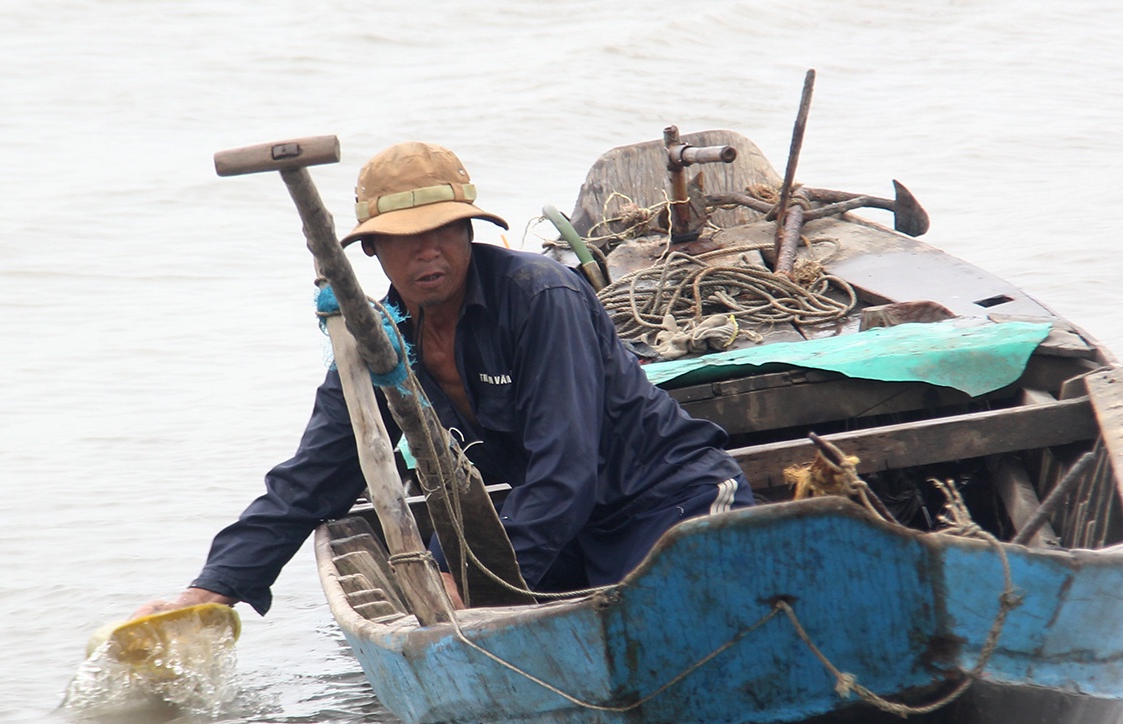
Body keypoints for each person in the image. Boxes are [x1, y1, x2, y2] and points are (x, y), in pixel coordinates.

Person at [137, 141, 751, 617]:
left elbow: (565, 468)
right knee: (436, 578)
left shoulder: (542, 297)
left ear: (469, 230)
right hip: (567, 532)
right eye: (405, 239)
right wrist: (213, 588)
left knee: (665, 604)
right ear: (372, 250)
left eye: (441, 232)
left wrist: (477, 584)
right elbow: (314, 476)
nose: (427, 252)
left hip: (665, 503)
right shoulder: (378, 340)